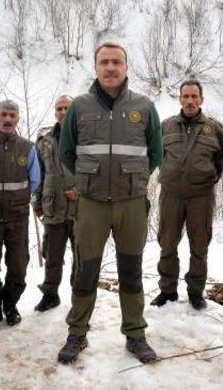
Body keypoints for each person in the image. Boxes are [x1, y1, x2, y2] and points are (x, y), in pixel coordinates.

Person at [57, 42, 163, 364]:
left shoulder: (144, 107)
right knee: (85, 270)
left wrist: (133, 179)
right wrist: (89, 180)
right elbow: (66, 151)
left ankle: (136, 335)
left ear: (127, 67)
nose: (110, 67)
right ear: (96, 67)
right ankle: (77, 333)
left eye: (117, 62)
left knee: (130, 271)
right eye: (104, 62)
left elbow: (155, 153)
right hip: (92, 205)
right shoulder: (80, 106)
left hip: (131, 203)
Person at [151, 79, 223, 310]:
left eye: (194, 97)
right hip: (171, 195)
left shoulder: (215, 129)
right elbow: (156, 157)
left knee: (199, 245)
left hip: (201, 197)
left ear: (201, 99)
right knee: (167, 243)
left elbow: (220, 164)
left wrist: (204, 181)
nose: (190, 101)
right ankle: (167, 290)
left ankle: (195, 292)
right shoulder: (166, 126)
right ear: (180, 99)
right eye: (186, 96)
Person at [0, 100, 40, 328]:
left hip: (17, 217)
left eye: (12, 115)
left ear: (18, 119)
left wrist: (18, 200)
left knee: (18, 267)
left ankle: (10, 306)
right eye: (3, 114)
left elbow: (35, 181)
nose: (7, 119)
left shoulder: (28, 148)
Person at [32, 95, 77, 312]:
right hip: (52, 205)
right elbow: (37, 174)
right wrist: (36, 200)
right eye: (59, 108)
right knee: (51, 254)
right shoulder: (44, 140)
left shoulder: (86, 137)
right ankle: (50, 295)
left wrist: (81, 191)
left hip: (81, 208)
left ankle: (80, 295)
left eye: (67, 107)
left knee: (83, 254)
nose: (62, 111)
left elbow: (97, 170)